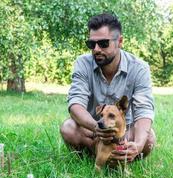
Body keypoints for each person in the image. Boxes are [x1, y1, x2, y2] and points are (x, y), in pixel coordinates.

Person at [60, 12, 156, 164]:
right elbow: (75, 104)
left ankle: (124, 156)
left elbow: (144, 110)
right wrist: (97, 128)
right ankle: (95, 158)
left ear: (120, 41)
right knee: (68, 127)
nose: (96, 49)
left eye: (104, 43)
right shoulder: (82, 63)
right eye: (92, 44)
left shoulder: (139, 68)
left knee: (148, 137)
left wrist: (137, 145)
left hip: (123, 134)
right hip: (93, 131)